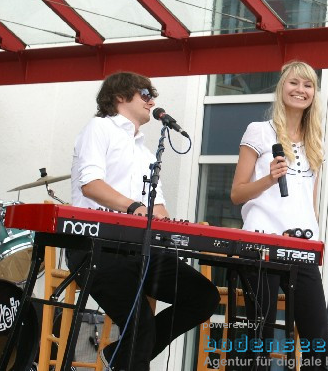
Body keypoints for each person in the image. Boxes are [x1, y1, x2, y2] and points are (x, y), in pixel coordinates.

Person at [66, 71, 219, 371]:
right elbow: (91, 185)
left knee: (204, 297)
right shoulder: (99, 128)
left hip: (141, 249)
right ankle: (128, 355)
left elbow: (157, 209)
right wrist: (134, 207)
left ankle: (121, 357)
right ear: (120, 96)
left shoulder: (147, 153)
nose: (153, 101)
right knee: (141, 325)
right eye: (146, 94)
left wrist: (175, 227)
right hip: (99, 247)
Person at [231, 61, 328, 370]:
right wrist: (269, 179)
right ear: (281, 87)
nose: (300, 90)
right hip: (261, 241)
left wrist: (315, 240)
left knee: (319, 344)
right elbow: (236, 194)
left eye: (308, 85)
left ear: (314, 94)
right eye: (294, 83)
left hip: (302, 248)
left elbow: (309, 204)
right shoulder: (259, 132)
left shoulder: (315, 142)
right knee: (259, 341)